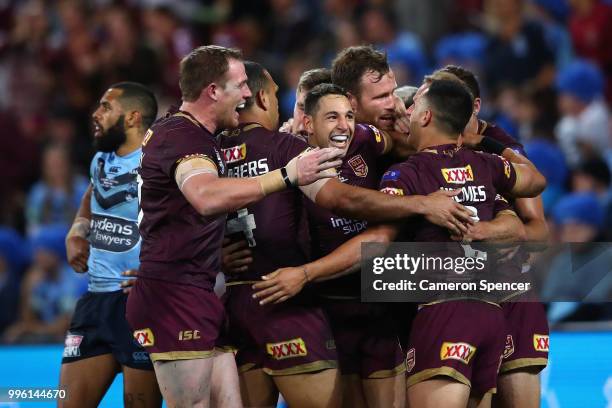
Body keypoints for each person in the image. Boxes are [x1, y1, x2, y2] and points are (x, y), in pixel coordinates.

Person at [255, 79, 546, 407]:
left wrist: (305, 273)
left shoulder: (407, 174)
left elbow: (378, 236)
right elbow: (533, 187)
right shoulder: (485, 166)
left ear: (425, 118)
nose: (405, 114)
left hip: (443, 311)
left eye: (413, 108)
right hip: (490, 314)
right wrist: (482, 219)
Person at [220, 62, 475, 408]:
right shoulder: (293, 155)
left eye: (349, 116)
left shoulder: (370, 141)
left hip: (380, 311)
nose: (344, 126)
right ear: (307, 122)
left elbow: (423, 144)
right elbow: (338, 200)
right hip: (322, 309)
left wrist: (482, 140)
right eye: (332, 118)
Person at [125, 45, 342, 408]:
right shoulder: (185, 138)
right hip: (175, 295)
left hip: (199, 290)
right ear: (213, 91)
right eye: (240, 86)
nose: (247, 95)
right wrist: (287, 175)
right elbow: (206, 196)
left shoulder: (185, 129)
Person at [434, 65, 551, 408]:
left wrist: (494, 235)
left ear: (475, 106)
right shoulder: (431, 140)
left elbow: (538, 231)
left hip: (508, 292)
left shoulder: (502, 148)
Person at [59, 82, 162, 408]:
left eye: (105, 107)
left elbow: (193, 221)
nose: (96, 113)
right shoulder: (101, 159)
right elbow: (92, 194)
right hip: (95, 301)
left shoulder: (158, 162)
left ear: (132, 117)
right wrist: (76, 232)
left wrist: (158, 275)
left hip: (139, 303)